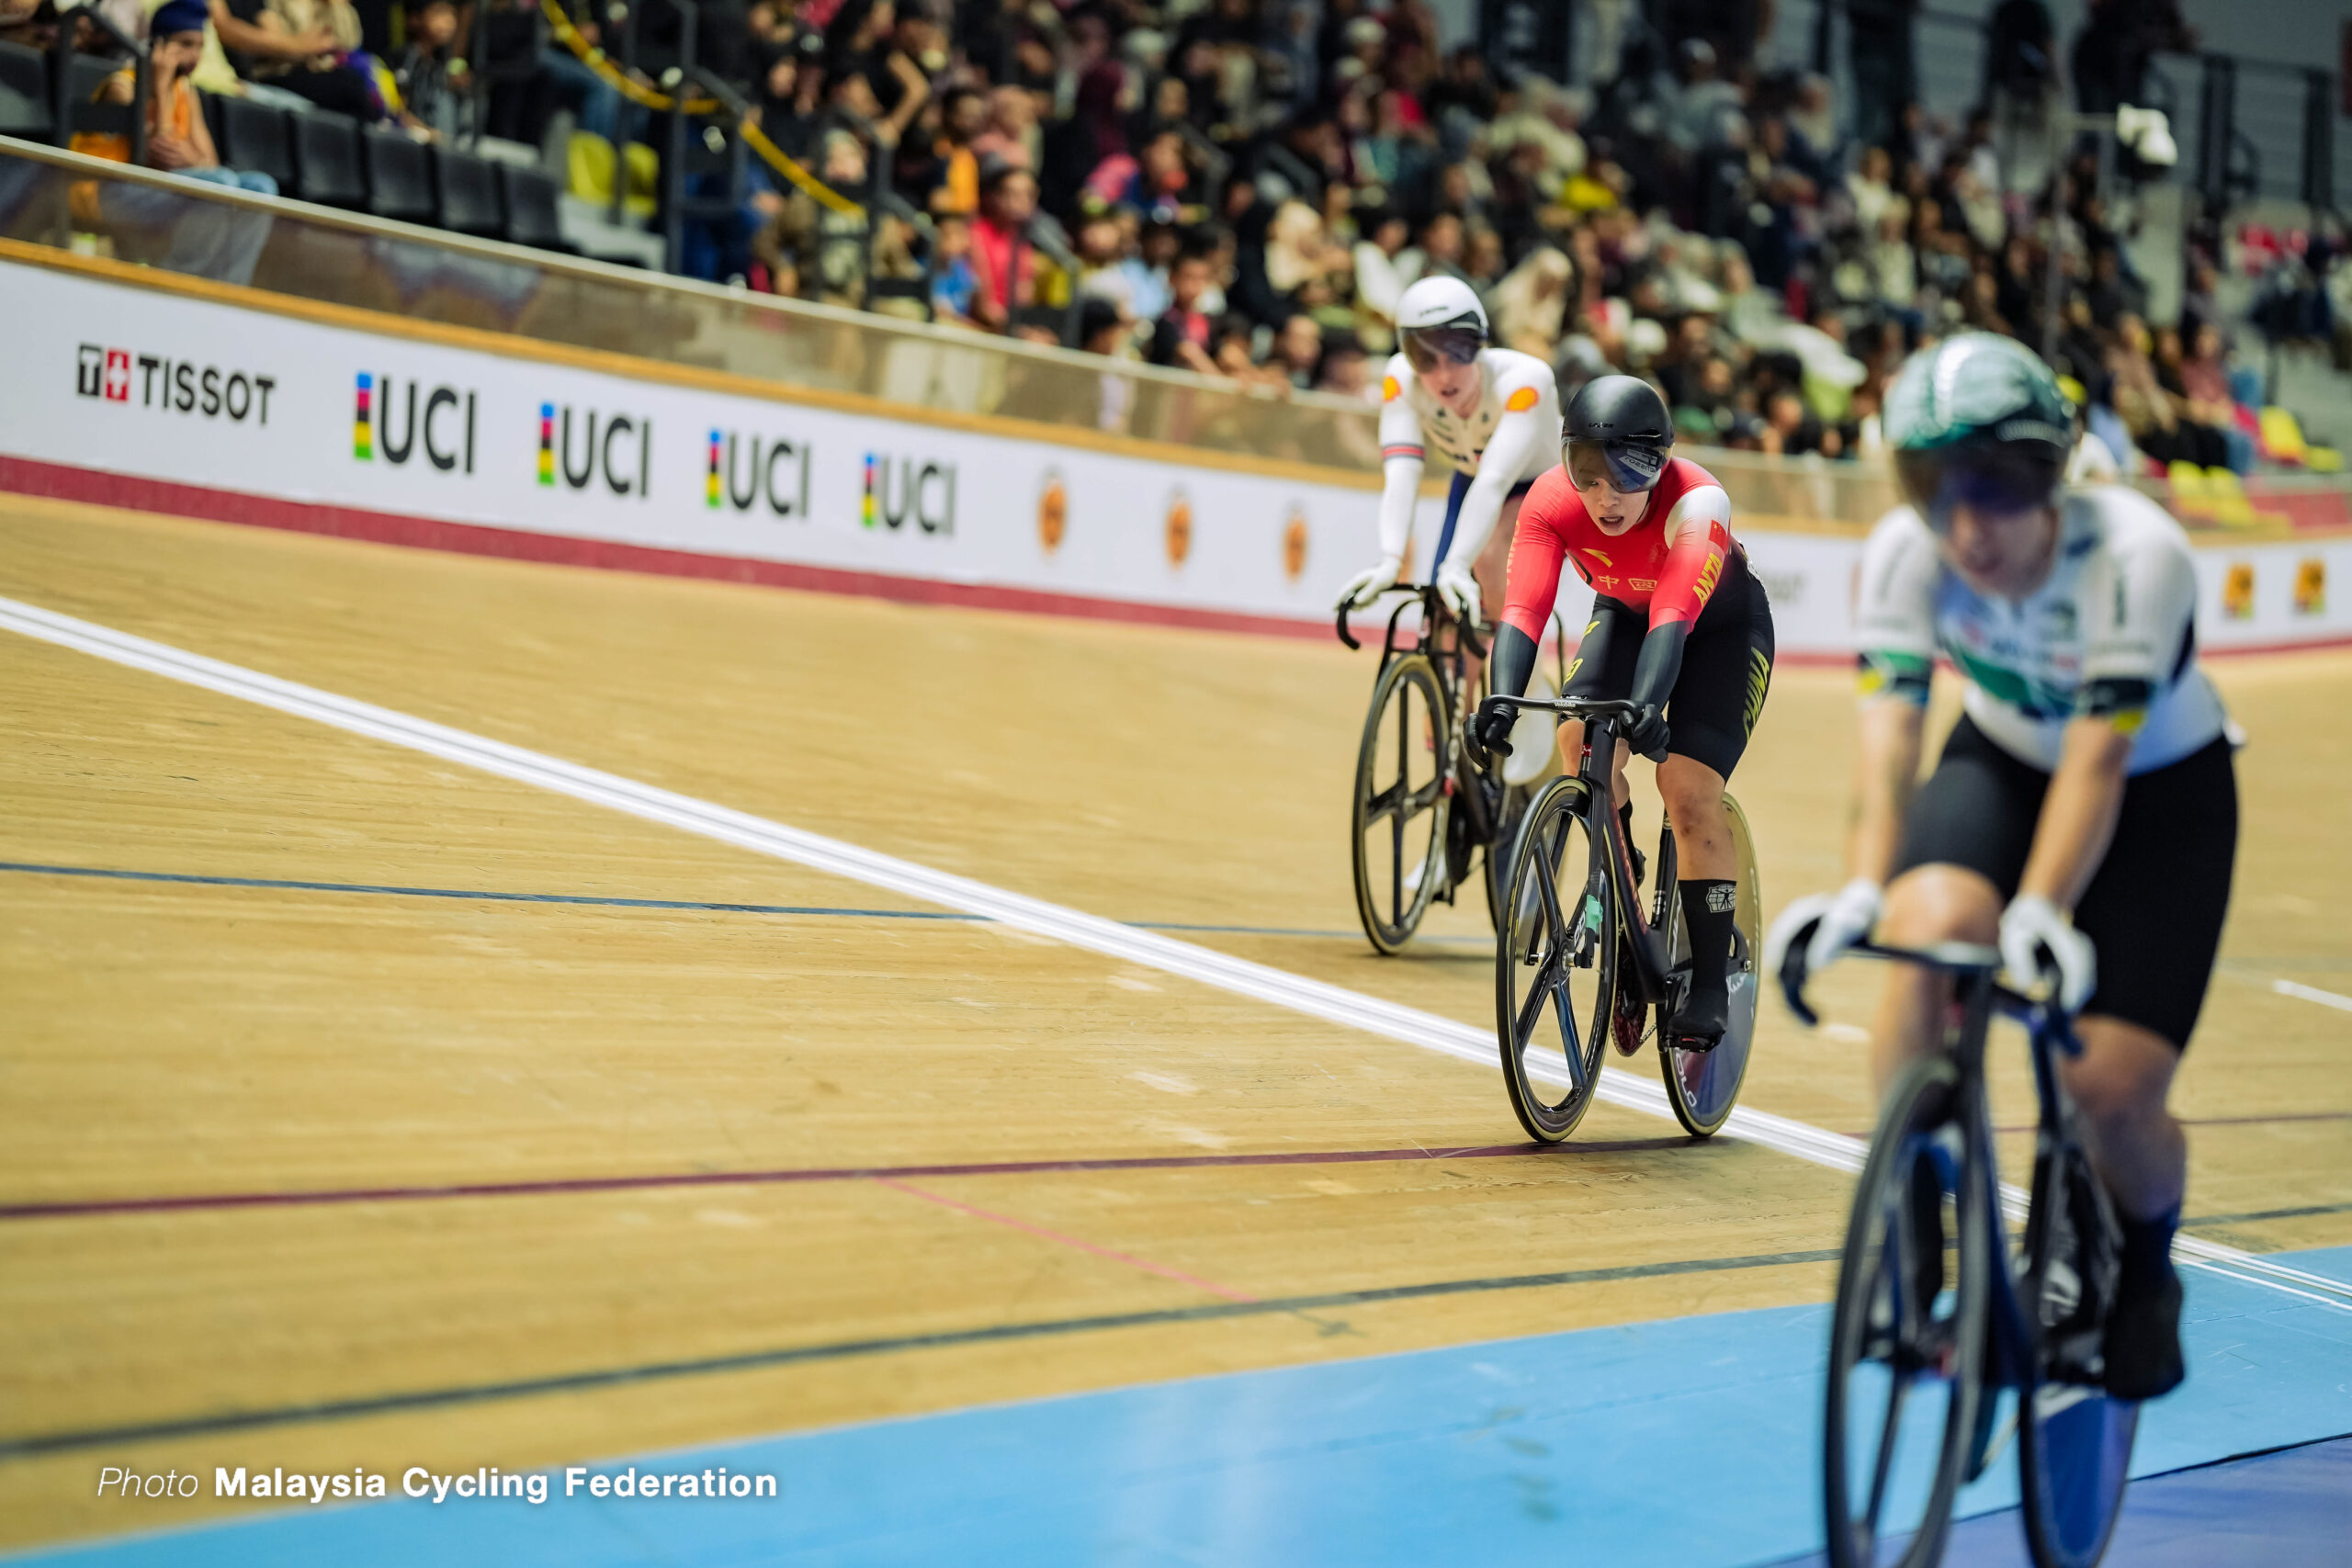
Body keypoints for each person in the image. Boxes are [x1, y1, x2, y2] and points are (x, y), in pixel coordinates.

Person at [1765, 333, 2235, 1401]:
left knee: (2106, 1089)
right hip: (2001, 757)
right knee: (1924, 931)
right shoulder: (1903, 551)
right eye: (1937, 493)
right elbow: (1889, 740)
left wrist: (2042, 905)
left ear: (2052, 479)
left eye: (1997, 493)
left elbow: (2099, 759)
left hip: (2159, 790)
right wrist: (1859, 888)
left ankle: (2148, 1269)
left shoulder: (2137, 556)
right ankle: (1914, 1209)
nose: (1967, 529)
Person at [1470, 375, 1776, 1052]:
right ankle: (1623, 863)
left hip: (1717, 632)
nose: (1607, 498)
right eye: (1588, 474)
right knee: (1579, 735)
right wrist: (1500, 697)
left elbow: (1675, 616)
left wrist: (1646, 709)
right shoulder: (1551, 500)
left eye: (1627, 476)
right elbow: (1523, 610)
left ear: (1661, 464)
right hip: (1628, 616)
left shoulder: (1697, 502)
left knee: (1688, 789)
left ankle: (1706, 981)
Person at [1333, 275, 1559, 640]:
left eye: (1458, 353)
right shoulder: (1401, 380)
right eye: (1424, 357)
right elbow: (1402, 474)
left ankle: (1527, 689)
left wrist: (1458, 563)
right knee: (1443, 610)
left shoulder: (1526, 380)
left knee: (1486, 561)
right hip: (1474, 477)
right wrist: (1391, 559)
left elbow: (1495, 480)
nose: (1443, 374)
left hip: (1539, 484)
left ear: (1481, 344)